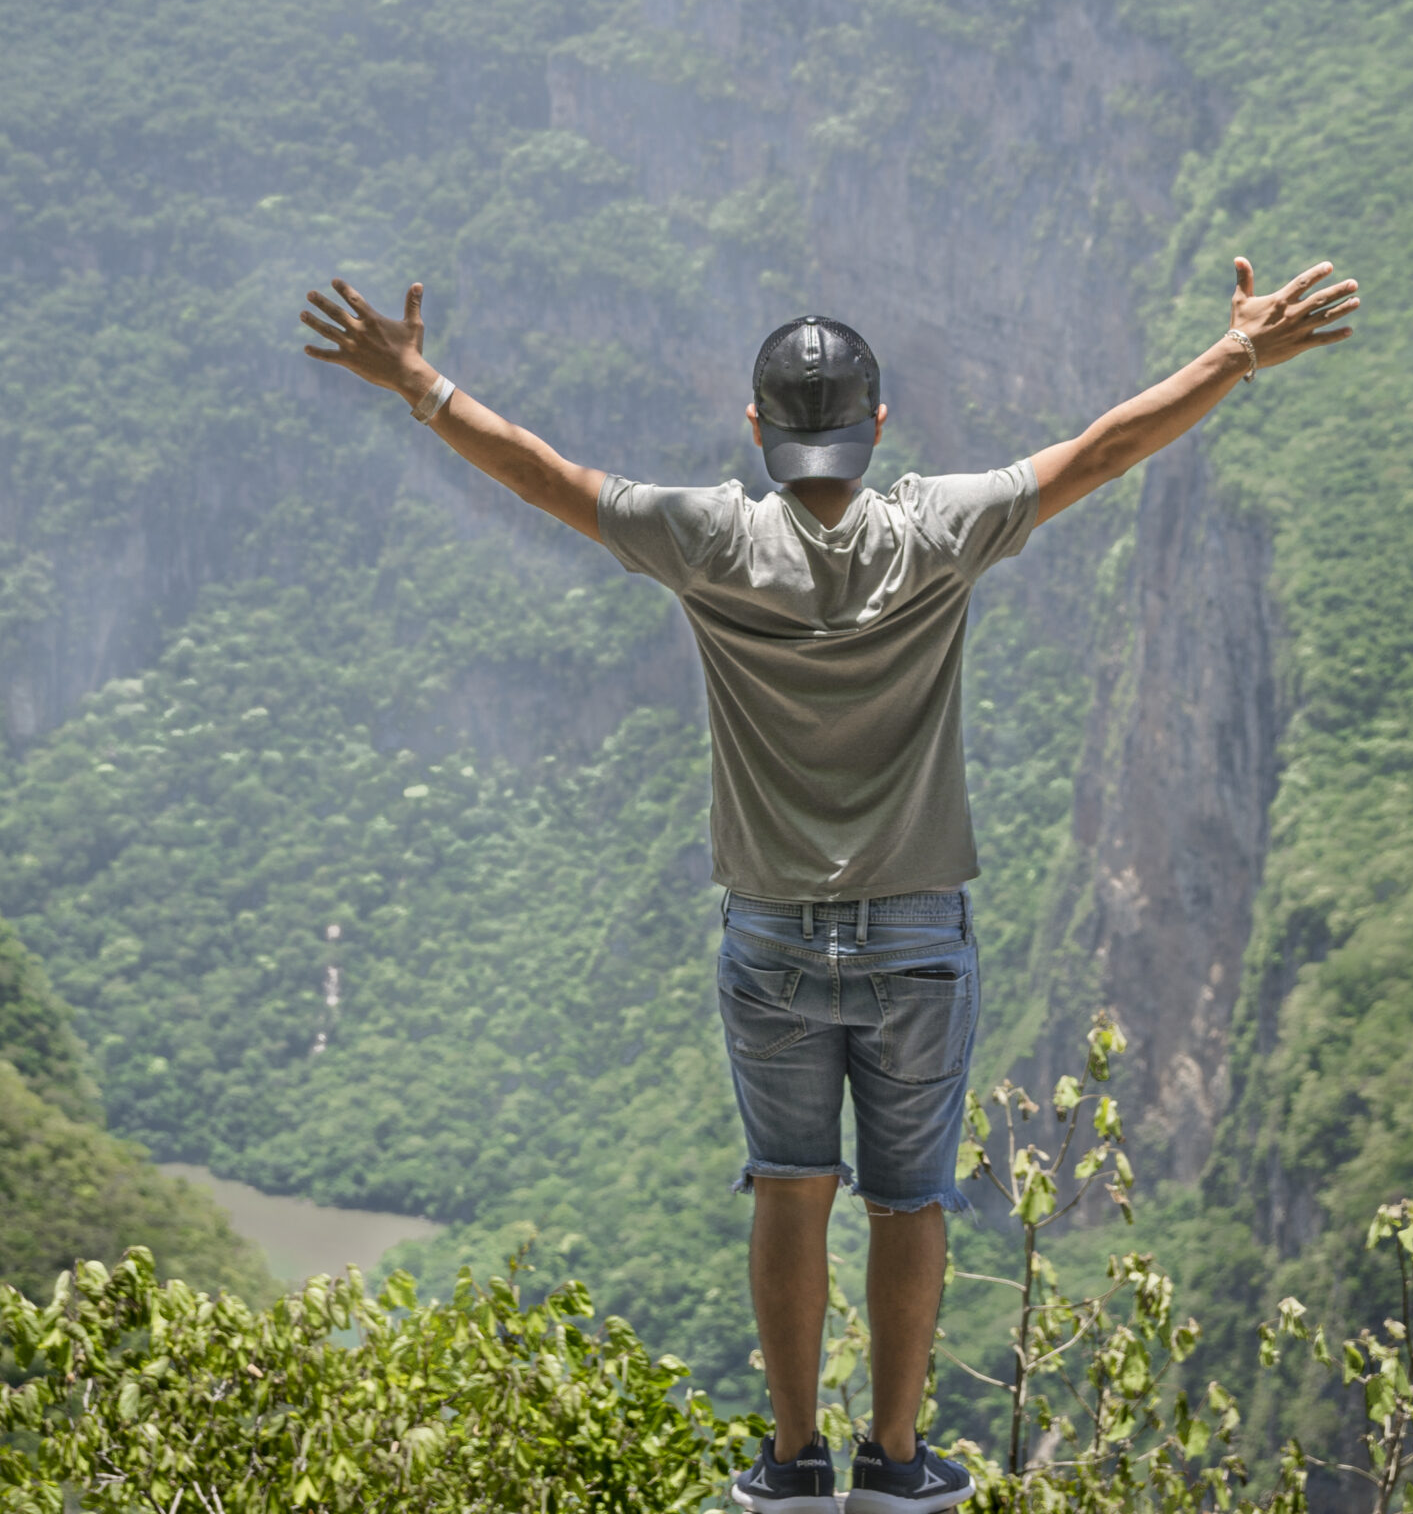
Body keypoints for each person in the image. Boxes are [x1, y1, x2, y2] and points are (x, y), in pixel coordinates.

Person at [299, 254, 1358, 1514]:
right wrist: (1235, 352)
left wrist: (415, 379)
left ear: (754, 427)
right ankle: (898, 1466)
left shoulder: (705, 538)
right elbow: (1101, 448)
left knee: (788, 1189)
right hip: (917, 934)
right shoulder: (937, 530)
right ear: (877, 423)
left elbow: (544, 473)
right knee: (909, 1199)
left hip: (771, 939)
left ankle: (794, 1461)